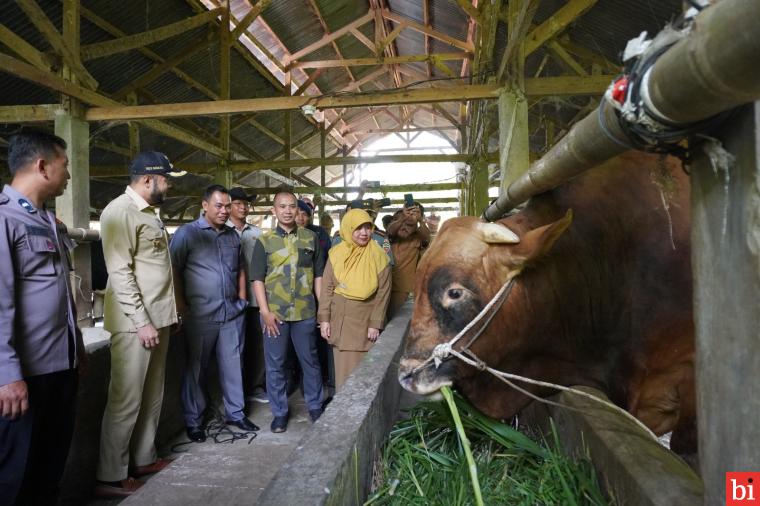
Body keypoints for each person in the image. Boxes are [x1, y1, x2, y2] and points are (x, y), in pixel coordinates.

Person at [95, 151, 186, 497]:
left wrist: (170, 313)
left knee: (151, 394)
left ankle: (144, 456)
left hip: (158, 318)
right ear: (148, 179)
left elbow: (156, 270)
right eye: (166, 179)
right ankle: (110, 474)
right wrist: (142, 321)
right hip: (137, 323)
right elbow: (120, 273)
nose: (169, 185)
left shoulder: (149, 214)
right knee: (126, 398)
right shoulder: (119, 212)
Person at [0, 131, 84, 505]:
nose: (67, 175)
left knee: (49, 470)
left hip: (59, 367)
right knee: (16, 476)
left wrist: (76, 350)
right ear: (42, 165)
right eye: (65, 166)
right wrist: (7, 374)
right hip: (25, 376)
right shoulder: (5, 220)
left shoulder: (48, 221)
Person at [171, 185, 259, 444]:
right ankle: (194, 420)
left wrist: (242, 299)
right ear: (205, 205)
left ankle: (236, 413)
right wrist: (181, 307)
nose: (224, 211)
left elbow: (241, 268)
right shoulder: (187, 234)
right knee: (196, 369)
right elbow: (173, 271)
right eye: (219, 206)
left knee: (234, 365)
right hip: (200, 314)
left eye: (227, 206)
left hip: (232, 313)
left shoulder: (233, 236)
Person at [251, 189, 325, 433]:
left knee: (311, 362)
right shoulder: (264, 241)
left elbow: (318, 276)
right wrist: (264, 311)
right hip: (276, 315)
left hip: (305, 312)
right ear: (274, 211)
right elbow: (257, 279)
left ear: (298, 209)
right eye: (282, 206)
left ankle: (315, 407)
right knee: (276, 365)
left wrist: (322, 309)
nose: (287, 211)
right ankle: (280, 413)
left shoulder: (310, 238)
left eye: (292, 206)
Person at [319, 209, 391, 388]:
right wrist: (325, 320)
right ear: (348, 228)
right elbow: (327, 288)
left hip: (364, 324)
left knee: (363, 378)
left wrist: (376, 323)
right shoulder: (336, 254)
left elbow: (384, 292)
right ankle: (344, 414)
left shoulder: (379, 255)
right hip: (340, 322)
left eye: (368, 227)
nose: (364, 233)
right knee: (343, 376)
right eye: (358, 228)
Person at [227, 187, 267, 405]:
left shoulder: (256, 233)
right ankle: (233, 390)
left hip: (254, 298)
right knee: (233, 347)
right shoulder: (222, 230)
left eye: (246, 204)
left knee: (257, 344)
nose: (243, 207)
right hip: (229, 299)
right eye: (237, 203)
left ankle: (255, 386)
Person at [387, 202, 431, 315]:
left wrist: (420, 220)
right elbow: (390, 230)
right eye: (401, 223)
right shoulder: (391, 236)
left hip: (403, 291)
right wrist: (402, 218)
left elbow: (427, 236)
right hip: (384, 288)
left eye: (410, 225)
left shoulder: (418, 238)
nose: (404, 227)